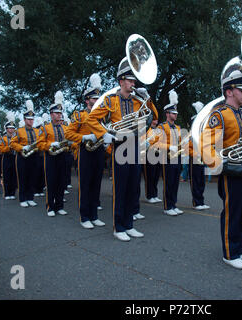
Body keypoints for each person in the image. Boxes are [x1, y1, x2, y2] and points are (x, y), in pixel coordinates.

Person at [201, 58, 242, 270]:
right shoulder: (219, 114)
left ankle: (240, 248)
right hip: (231, 170)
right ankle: (230, 252)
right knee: (232, 211)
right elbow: (206, 143)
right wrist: (218, 163)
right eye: (241, 90)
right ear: (229, 91)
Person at [86, 58, 158, 241]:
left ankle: (129, 225)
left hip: (135, 146)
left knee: (133, 187)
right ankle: (119, 227)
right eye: (130, 80)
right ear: (121, 81)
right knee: (121, 189)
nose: (133, 84)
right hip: (119, 148)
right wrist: (104, 134)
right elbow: (91, 119)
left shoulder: (137, 100)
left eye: (134, 81)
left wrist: (147, 99)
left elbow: (154, 116)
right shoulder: (110, 100)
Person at [65, 73, 106, 229]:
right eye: (94, 99)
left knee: (96, 184)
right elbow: (69, 134)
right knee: (86, 184)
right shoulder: (79, 115)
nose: (97, 101)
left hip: (99, 151)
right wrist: (84, 137)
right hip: (85, 151)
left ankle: (94, 215)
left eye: (98, 99)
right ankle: (85, 217)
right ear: (87, 100)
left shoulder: (101, 117)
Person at [37, 91, 69, 217]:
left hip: (63, 156)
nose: (59, 115)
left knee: (62, 181)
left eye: (60, 113)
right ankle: (50, 206)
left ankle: (60, 206)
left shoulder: (65, 128)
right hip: (50, 157)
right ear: (51, 114)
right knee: (51, 182)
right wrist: (50, 145)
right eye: (56, 113)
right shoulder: (44, 128)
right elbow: (39, 144)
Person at [156, 90, 183, 216]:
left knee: (175, 183)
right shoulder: (161, 127)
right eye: (173, 113)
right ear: (167, 114)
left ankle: (173, 204)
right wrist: (169, 147)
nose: (175, 115)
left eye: (176, 113)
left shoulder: (177, 128)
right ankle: (167, 206)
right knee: (169, 182)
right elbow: (155, 143)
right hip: (166, 158)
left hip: (177, 158)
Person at [10, 100, 39, 208]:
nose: (31, 121)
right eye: (28, 119)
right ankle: (22, 198)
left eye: (32, 119)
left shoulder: (37, 131)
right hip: (22, 156)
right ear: (24, 119)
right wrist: (22, 147)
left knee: (32, 177)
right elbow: (12, 143)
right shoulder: (19, 131)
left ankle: (30, 198)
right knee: (22, 178)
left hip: (33, 156)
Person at [188, 101, 210, 210]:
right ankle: (196, 202)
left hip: (202, 158)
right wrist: (197, 155)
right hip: (195, 158)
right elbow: (188, 148)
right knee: (195, 181)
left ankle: (201, 201)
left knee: (202, 181)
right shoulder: (191, 134)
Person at [142, 119, 162, 204]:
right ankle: (149, 195)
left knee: (156, 176)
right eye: (154, 120)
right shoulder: (146, 129)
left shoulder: (158, 130)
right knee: (150, 176)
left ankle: (154, 194)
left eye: (157, 120)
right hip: (148, 154)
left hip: (157, 154)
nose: (156, 122)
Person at [0, 111, 18, 200]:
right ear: (6, 129)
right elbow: (1, 149)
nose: (11, 130)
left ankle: (12, 193)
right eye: (9, 128)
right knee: (6, 175)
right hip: (7, 157)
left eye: (13, 128)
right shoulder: (3, 138)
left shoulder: (16, 138)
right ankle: (7, 193)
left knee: (14, 175)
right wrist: (9, 147)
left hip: (15, 157)